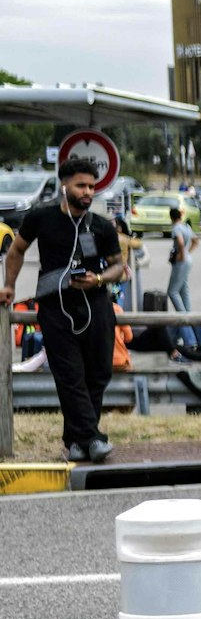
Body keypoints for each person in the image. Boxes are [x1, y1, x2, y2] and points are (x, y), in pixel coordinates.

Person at [1, 159, 127, 462]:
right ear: (65, 185)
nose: (87, 192)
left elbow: (119, 267)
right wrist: (9, 286)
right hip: (55, 307)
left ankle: (76, 440)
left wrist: (97, 279)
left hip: (96, 304)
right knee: (70, 375)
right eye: (81, 185)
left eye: (92, 187)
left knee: (98, 373)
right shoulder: (41, 218)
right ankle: (94, 439)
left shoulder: (99, 226)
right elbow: (16, 250)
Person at [166, 205, 198, 316]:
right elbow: (195, 241)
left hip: (181, 260)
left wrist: (181, 253)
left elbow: (179, 241)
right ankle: (188, 313)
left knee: (172, 291)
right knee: (183, 287)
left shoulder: (176, 228)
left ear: (171, 218)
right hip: (188, 258)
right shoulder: (186, 227)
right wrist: (187, 251)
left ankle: (182, 315)